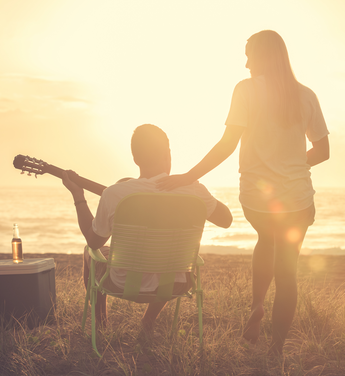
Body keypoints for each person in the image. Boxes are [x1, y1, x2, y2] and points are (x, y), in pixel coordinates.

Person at [157, 30, 330, 355]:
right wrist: (292, 162)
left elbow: (227, 145)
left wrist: (187, 176)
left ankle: (256, 305)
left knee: (266, 239)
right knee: (287, 270)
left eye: (249, 54)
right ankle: (276, 348)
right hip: (296, 199)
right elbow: (323, 150)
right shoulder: (306, 95)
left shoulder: (246, 90)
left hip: (256, 200)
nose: (246, 61)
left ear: (263, 56)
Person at [60, 124, 233, 334]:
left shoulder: (115, 193)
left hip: (121, 282)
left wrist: (78, 196)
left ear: (135, 159)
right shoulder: (194, 191)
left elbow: (94, 242)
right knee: (166, 258)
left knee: (89, 253)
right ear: (167, 154)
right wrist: (192, 184)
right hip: (174, 285)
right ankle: (148, 321)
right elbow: (226, 220)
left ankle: (102, 326)